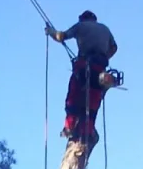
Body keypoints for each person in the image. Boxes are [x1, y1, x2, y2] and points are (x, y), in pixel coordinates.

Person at [46, 10, 118, 150]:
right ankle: (87, 131)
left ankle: (70, 127)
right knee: (93, 101)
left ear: (83, 19)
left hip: (84, 64)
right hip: (99, 67)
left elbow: (61, 36)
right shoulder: (105, 29)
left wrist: (51, 31)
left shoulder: (81, 26)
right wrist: (104, 57)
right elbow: (114, 48)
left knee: (73, 97)